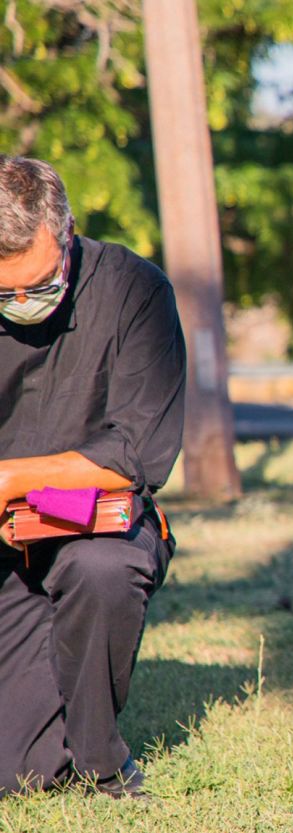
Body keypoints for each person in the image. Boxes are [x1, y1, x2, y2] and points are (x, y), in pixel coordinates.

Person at [0, 155, 185, 797]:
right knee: (16, 776)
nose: (25, 303)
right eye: (5, 293)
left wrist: (6, 478)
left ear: (69, 235)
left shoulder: (137, 290)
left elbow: (137, 454)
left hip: (92, 528)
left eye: (41, 282)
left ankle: (103, 762)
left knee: (102, 568)